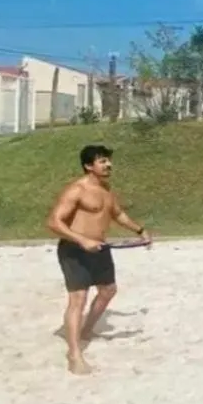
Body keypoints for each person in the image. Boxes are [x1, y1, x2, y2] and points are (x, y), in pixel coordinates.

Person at [46, 144, 151, 375]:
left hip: (100, 248)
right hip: (74, 249)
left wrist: (140, 230)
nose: (108, 164)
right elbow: (54, 222)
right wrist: (82, 240)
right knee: (78, 299)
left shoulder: (106, 189)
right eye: (102, 161)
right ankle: (74, 355)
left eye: (108, 160)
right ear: (88, 166)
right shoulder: (76, 190)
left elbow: (118, 214)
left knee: (108, 290)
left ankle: (86, 330)